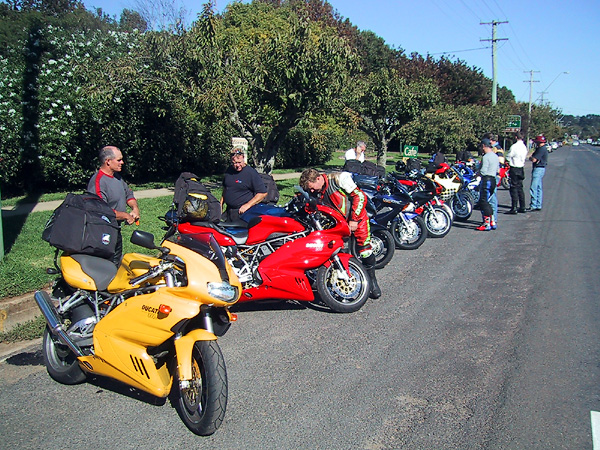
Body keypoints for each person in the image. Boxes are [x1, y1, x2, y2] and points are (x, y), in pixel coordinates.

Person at [299, 168, 381, 299]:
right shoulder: (316, 190)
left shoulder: (338, 179)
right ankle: (340, 283)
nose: (312, 191)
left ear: (318, 178)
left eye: (312, 188)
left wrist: (354, 219)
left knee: (365, 251)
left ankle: (372, 282)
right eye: (310, 190)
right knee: (339, 251)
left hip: (357, 218)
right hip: (337, 223)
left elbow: (360, 196)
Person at [88, 145, 140, 266]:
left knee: (116, 262)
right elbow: (101, 210)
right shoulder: (98, 181)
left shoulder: (117, 177)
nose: (122, 162)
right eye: (119, 160)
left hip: (115, 229)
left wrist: (135, 208)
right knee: (105, 265)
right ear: (108, 161)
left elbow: (128, 194)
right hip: (102, 232)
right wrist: (126, 216)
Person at [221, 147, 267, 222]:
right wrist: (220, 205)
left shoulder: (250, 173)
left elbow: (262, 193)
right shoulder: (228, 171)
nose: (238, 165)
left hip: (243, 213)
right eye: (235, 163)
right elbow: (226, 189)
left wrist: (247, 205)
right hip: (229, 212)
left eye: (240, 162)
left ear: (243, 159)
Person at [476, 139, 499, 231]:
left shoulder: (486, 157)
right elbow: (497, 169)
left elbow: (483, 171)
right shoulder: (495, 156)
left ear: (483, 146)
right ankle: (492, 221)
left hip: (486, 180)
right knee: (489, 201)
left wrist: (477, 173)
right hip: (493, 179)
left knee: (483, 202)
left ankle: (486, 223)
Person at [504, 131, 528, 214]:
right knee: (520, 187)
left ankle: (514, 207)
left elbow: (508, 156)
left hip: (514, 167)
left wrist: (506, 161)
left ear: (516, 137)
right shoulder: (524, 147)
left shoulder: (514, 146)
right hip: (521, 167)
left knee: (513, 188)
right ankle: (522, 206)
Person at [526, 135, 549, 211]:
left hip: (538, 169)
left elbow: (534, 159)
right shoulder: (543, 149)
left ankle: (533, 204)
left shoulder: (541, 149)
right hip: (541, 168)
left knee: (534, 187)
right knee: (539, 188)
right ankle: (538, 204)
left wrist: (530, 157)